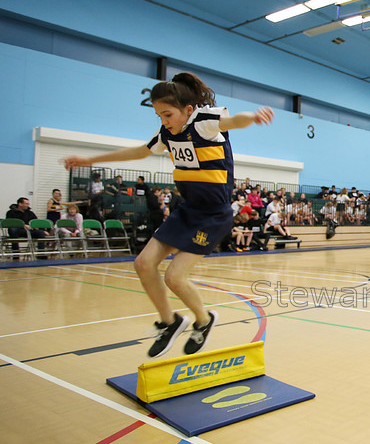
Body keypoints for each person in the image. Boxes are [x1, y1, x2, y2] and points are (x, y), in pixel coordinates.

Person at [63, 72, 274, 358]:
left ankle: (203, 320)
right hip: (187, 210)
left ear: (187, 110)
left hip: (213, 215)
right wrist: (91, 159)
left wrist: (254, 116)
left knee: (175, 277)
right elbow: (140, 151)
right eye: (159, 115)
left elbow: (234, 121)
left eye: (168, 114)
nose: (164, 121)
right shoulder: (166, 134)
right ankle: (169, 321)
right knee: (143, 264)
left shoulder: (204, 123)